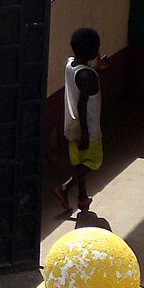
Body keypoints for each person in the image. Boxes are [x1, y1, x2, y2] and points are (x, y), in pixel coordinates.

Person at [56, 27, 103, 213]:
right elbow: (83, 105)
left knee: (79, 162)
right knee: (94, 161)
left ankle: (82, 197)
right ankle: (64, 188)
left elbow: (81, 79)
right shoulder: (89, 76)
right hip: (88, 128)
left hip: (71, 125)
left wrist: (97, 66)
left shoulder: (70, 64)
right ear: (92, 50)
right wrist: (85, 133)